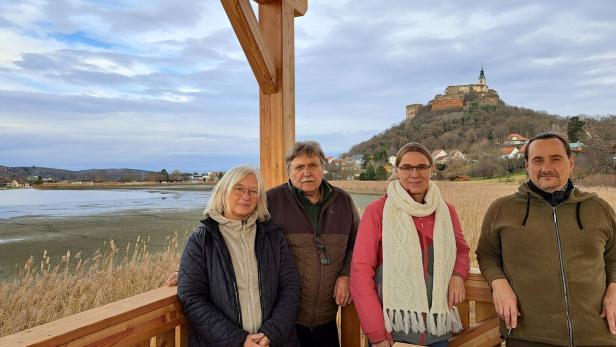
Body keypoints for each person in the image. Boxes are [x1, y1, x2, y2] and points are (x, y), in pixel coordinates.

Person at [476, 132, 616, 346]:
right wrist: (499, 283)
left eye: (555, 159)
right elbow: (487, 255)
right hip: (528, 335)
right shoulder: (502, 209)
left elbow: (614, 256)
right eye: (537, 160)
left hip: (598, 333)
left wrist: (614, 287)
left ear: (571, 163)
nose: (546, 167)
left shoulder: (598, 209)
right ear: (527, 166)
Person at [350, 142, 470, 347]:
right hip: (393, 331)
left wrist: (458, 275)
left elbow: (462, 251)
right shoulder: (378, 211)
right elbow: (360, 272)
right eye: (406, 167)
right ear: (396, 171)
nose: (415, 173)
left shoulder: (445, 211)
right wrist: (377, 334)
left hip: (437, 329)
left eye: (422, 167)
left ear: (432, 169)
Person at [176, 166, 300, 347]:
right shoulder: (202, 240)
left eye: (253, 191)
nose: (246, 196)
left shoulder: (272, 236)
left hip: (272, 341)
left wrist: (272, 332)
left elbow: (290, 286)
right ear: (223, 191)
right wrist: (239, 340)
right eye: (239, 188)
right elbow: (192, 297)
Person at [266, 141, 359, 347]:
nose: (306, 172)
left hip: (327, 319)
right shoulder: (271, 201)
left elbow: (357, 242)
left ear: (322, 167)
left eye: (313, 165)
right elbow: (238, 238)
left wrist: (346, 273)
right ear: (289, 170)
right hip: (285, 320)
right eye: (299, 167)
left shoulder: (343, 201)